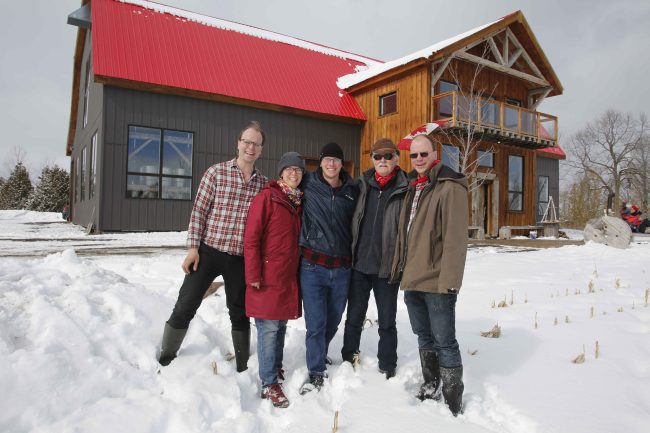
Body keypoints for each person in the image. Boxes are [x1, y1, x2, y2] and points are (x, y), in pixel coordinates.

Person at [158, 121, 268, 372]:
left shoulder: (263, 184)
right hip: (209, 252)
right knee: (186, 303)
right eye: (247, 142)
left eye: (256, 144)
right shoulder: (216, 173)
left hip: (240, 259)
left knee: (239, 312)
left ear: (261, 150)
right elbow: (199, 211)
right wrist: (193, 248)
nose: (251, 147)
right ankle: (166, 357)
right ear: (238, 144)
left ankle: (241, 364)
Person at [391, 134, 468, 416]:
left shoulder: (449, 187)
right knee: (424, 336)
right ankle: (431, 382)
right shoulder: (414, 187)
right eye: (414, 155)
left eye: (424, 154)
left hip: (437, 280)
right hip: (413, 277)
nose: (419, 159)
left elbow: (455, 239)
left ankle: (452, 397)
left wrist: (449, 282)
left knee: (444, 340)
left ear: (435, 154)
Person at [341, 138, 408, 379]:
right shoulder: (361, 185)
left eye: (388, 156)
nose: (383, 161)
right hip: (359, 265)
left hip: (387, 268)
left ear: (397, 158)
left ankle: (388, 364)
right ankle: (349, 357)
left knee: (387, 320)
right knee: (354, 317)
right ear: (372, 159)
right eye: (377, 156)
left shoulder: (406, 187)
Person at [244, 152, 305, 408]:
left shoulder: (297, 201)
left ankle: (275, 368)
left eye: (298, 170)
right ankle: (268, 383)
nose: (294, 173)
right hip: (267, 276)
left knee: (279, 327)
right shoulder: (267, 198)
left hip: (286, 276)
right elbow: (251, 238)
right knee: (268, 330)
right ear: (280, 173)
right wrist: (253, 275)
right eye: (289, 169)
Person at [298, 142, 358, 394]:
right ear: (320, 162)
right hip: (313, 266)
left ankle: (319, 353)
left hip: (342, 269)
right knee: (316, 323)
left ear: (341, 164)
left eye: (336, 159)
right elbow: (283, 184)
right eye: (327, 159)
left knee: (333, 320)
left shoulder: (353, 189)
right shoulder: (308, 184)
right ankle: (315, 372)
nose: (331, 164)